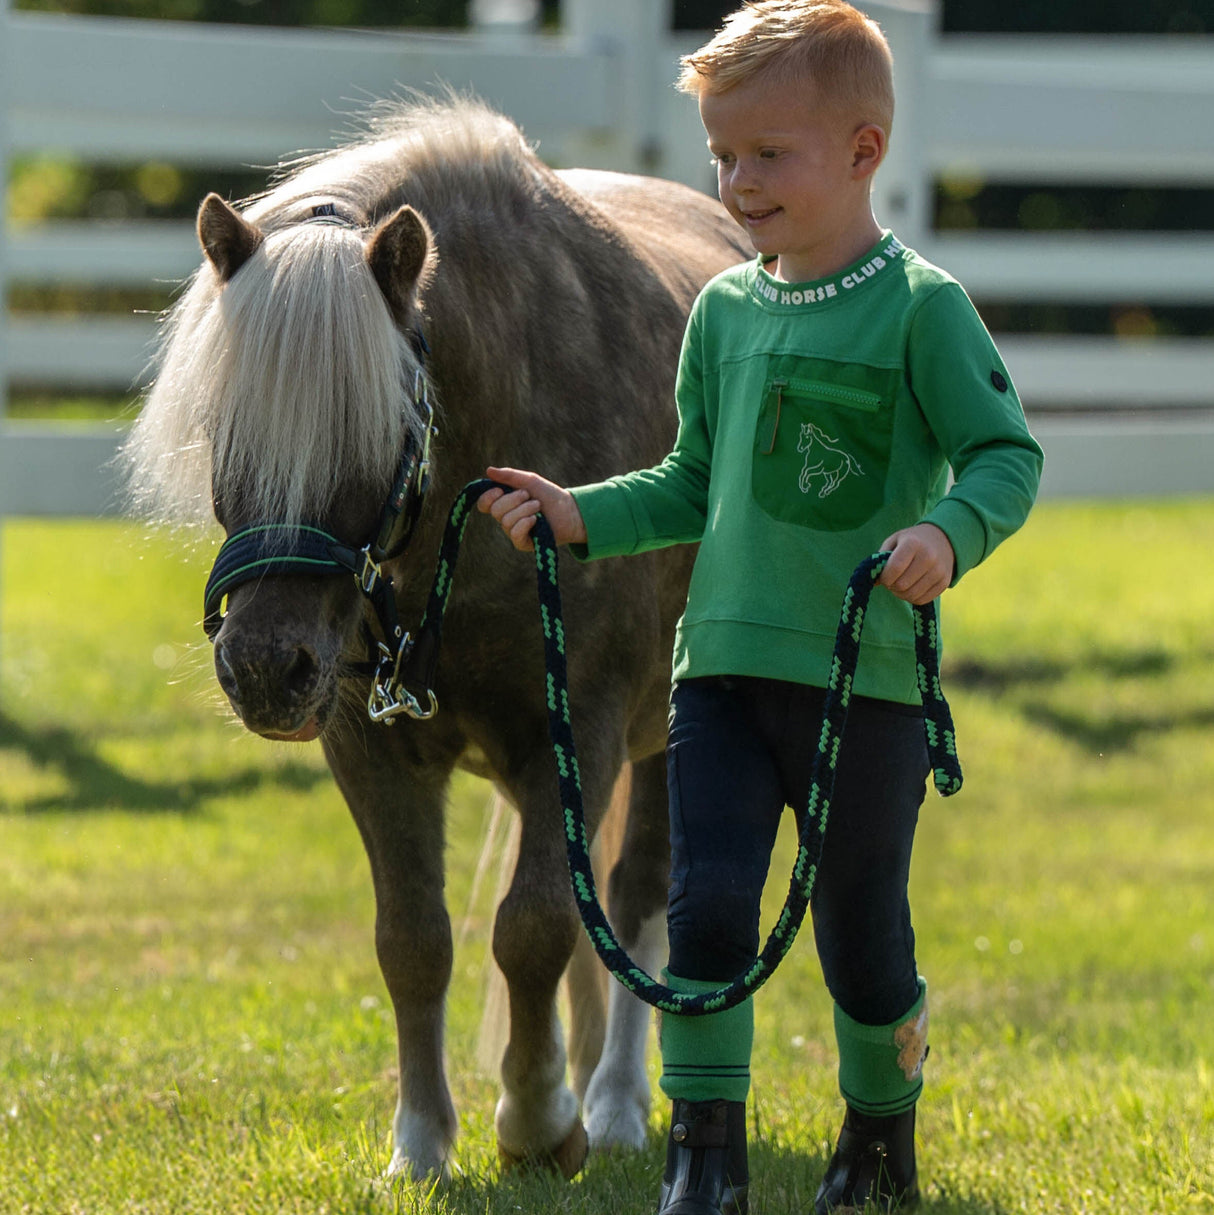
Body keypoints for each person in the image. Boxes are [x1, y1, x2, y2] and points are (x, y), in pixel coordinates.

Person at [479, 2, 1043, 1210]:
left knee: (860, 940)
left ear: (860, 151)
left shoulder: (919, 309)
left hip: (861, 687)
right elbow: (689, 482)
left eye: (764, 154)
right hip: (717, 679)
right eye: (720, 155)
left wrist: (945, 534)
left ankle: (878, 1136)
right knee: (707, 912)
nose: (734, 182)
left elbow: (1004, 457)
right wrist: (577, 510)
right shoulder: (724, 315)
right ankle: (704, 1159)